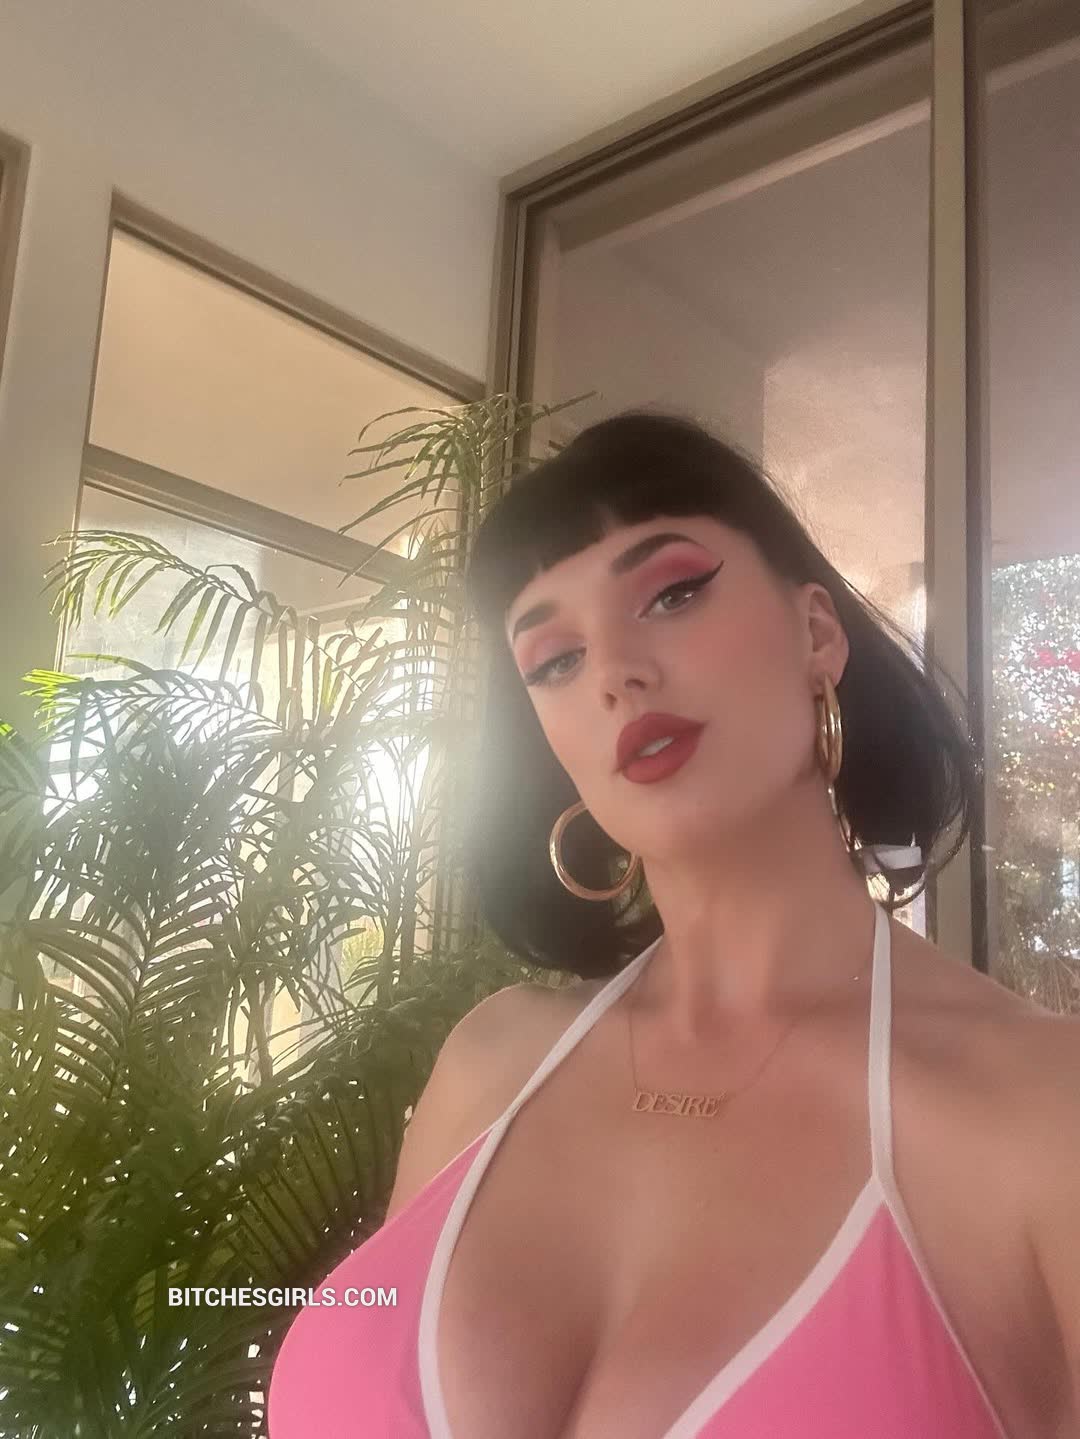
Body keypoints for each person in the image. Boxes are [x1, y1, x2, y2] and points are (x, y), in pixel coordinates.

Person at [267, 410, 1079, 1439]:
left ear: (817, 634)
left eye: (673, 592)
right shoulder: (489, 1063)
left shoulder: (1044, 1116)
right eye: (554, 659)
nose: (615, 670)